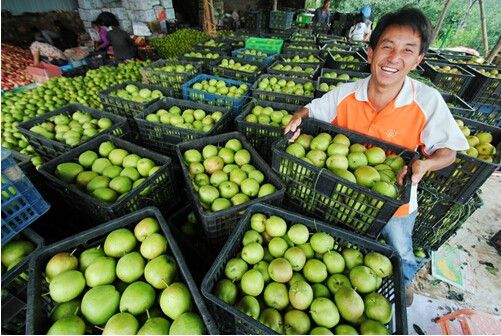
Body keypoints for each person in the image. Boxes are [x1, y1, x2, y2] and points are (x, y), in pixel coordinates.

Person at [284, 7, 469, 304]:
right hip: (344, 191)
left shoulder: (427, 101)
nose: (395, 58)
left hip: (395, 198)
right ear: (370, 53)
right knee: (342, 242)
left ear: (418, 60)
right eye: (387, 46)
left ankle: (405, 279)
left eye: (408, 50)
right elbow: (310, 110)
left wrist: (427, 163)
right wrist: (297, 118)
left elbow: (449, 152)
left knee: (400, 247)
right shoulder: (346, 94)